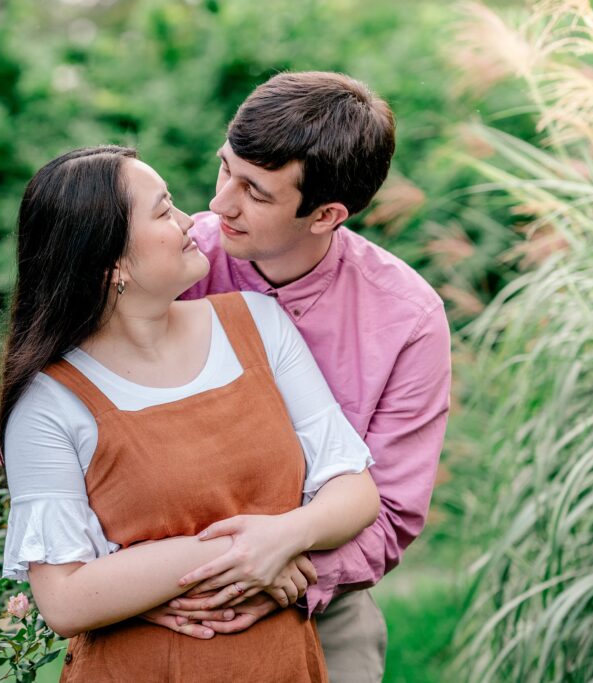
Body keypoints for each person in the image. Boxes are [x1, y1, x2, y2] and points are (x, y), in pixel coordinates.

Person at [0, 145, 381, 681]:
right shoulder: (50, 402)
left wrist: (287, 536)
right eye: (163, 211)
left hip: (281, 665)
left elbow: (356, 489)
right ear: (112, 264)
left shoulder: (258, 322)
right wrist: (251, 552)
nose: (188, 222)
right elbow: (64, 600)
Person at [151, 71, 452, 682]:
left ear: (326, 214)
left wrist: (279, 579)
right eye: (224, 169)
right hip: (162, 592)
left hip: (321, 604)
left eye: (255, 194)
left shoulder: (408, 318)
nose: (218, 204)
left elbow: (391, 511)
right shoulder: (176, 264)